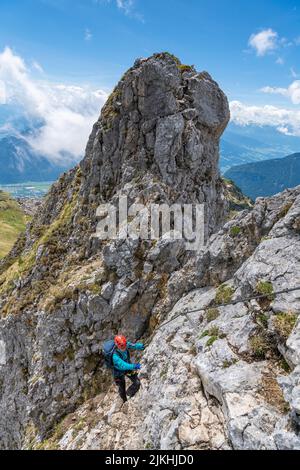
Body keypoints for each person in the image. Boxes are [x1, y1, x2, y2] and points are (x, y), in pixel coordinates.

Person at [112, 334, 144, 403]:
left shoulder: (124, 344)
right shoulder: (114, 356)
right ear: (117, 345)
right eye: (122, 346)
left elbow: (133, 345)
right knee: (122, 387)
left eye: (124, 345)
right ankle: (124, 401)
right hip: (118, 372)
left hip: (127, 369)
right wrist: (134, 366)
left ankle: (129, 393)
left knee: (137, 382)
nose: (124, 347)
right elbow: (123, 365)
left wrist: (140, 346)